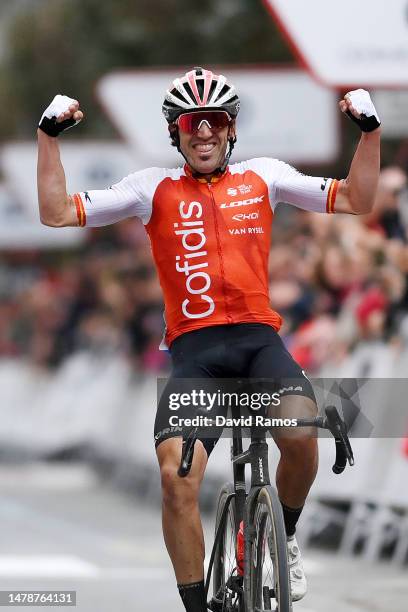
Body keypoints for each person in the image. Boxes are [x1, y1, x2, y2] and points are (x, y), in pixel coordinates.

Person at [37, 67, 381, 610]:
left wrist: (369, 132)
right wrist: (47, 137)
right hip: (197, 358)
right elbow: (56, 213)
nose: (204, 133)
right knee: (177, 481)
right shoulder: (150, 188)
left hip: (258, 343)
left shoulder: (265, 176)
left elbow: (357, 200)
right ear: (176, 131)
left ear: (231, 129)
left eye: (215, 121)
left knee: (301, 439)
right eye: (192, 123)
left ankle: (282, 541)